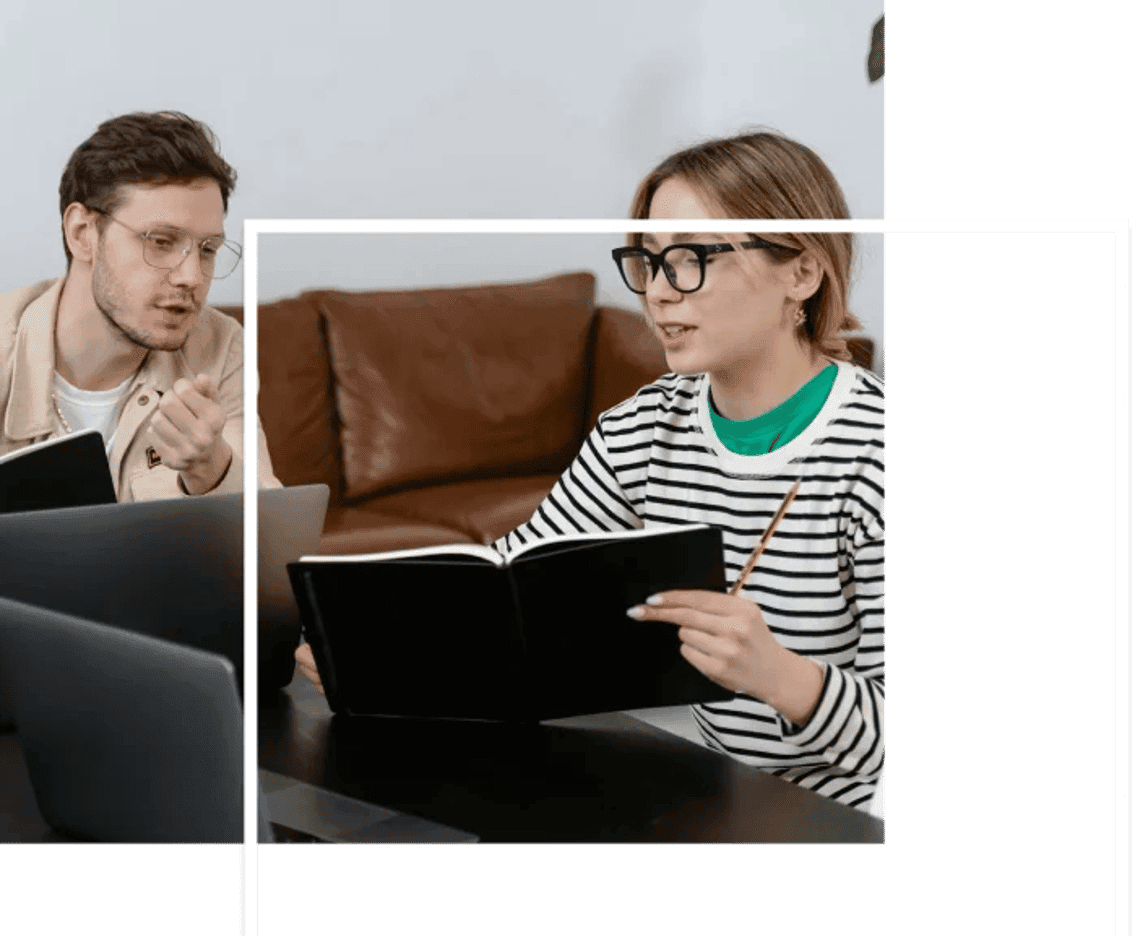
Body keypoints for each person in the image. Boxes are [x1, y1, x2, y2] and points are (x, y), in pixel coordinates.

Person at [296, 130, 885, 809]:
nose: (659, 294)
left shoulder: (875, 455)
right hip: (721, 793)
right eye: (649, 262)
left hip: (849, 816)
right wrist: (370, 641)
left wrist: (781, 677)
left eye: (691, 260)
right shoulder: (642, 429)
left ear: (802, 273)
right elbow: (504, 586)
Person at [0, 111, 278, 499]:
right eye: (161, 242)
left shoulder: (221, 347)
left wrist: (211, 468)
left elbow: (267, 545)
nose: (192, 277)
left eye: (208, 249)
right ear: (83, 234)